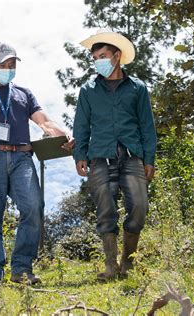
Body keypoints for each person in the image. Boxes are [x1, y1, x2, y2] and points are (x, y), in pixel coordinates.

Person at [0, 43, 74, 287]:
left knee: (33, 207)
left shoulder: (24, 93)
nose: (9, 68)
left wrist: (65, 134)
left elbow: (44, 121)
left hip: (23, 158)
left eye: (12, 64)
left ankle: (21, 269)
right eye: (4, 64)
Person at [73, 30, 157, 280]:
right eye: (95, 57)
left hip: (132, 156)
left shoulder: (137, 88)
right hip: (100, 156)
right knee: (105, 211)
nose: (98, 61)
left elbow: (147, 126)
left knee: (140, 207)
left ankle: (127, 263)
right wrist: (80, 154)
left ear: (117, 56)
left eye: (103, 55)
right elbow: (81, 126)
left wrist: (149, 158)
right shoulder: (88, 90)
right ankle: (111, 266)